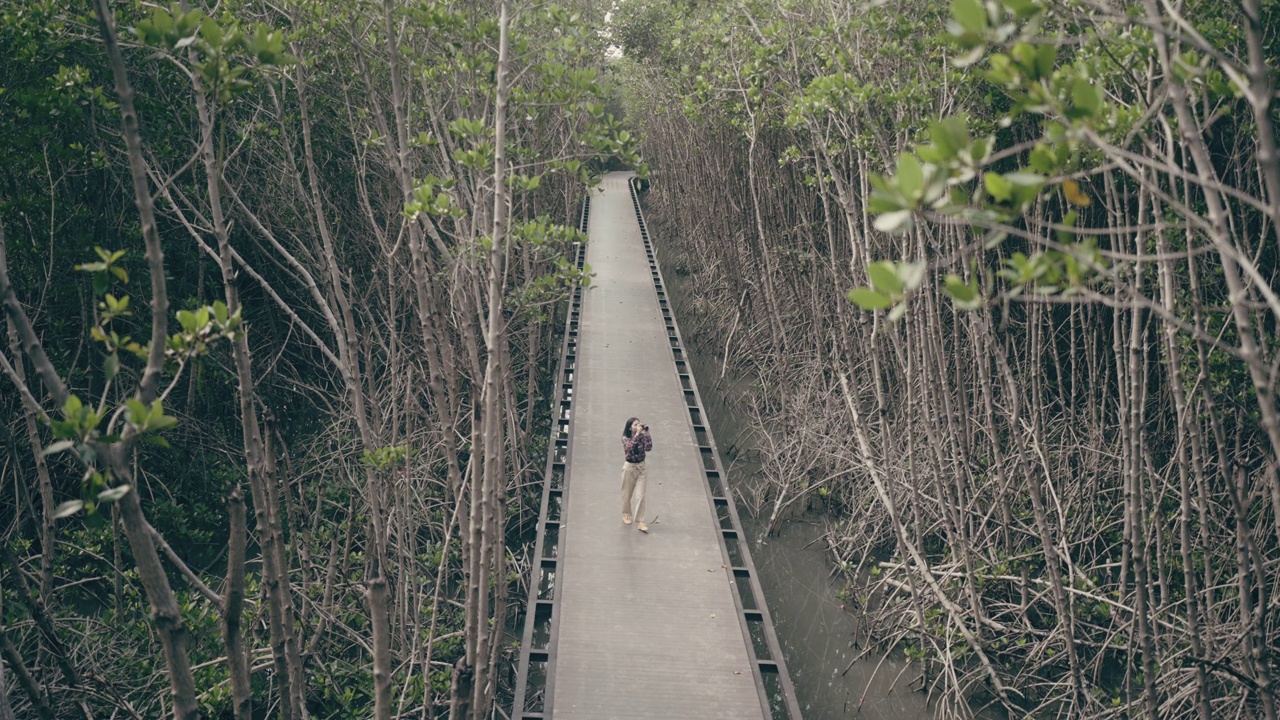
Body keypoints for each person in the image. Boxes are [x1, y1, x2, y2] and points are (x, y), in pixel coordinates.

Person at [620, 417, 653, 533]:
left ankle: (640, 521)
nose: (638, 426)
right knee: (626, 494)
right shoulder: (625, 438)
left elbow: (649, 448)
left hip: (642, 467)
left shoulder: (642, 436)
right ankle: (626, 514)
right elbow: (629, 448)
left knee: (640, 496)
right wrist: (637, 434)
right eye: (635, 425)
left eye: (639, 424)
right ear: (630, 427)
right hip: (629, 468)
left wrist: (647, 434)